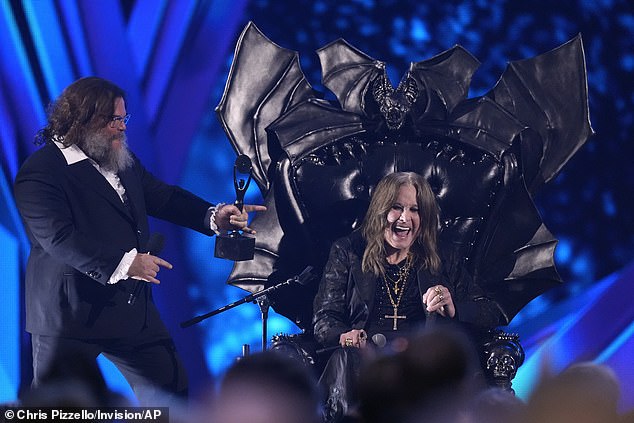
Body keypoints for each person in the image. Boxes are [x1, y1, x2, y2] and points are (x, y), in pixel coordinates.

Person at [13, 76, 265, 405]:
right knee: (54, 409)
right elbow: (59, 239)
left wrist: (211, 215)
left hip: (129, 309)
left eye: (124, 118)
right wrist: (127, 263)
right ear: (85, 119)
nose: (122, 127)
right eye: (114, 120)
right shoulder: (41, 172)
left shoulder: (121, 161)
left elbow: (163, 197)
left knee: (170, 397)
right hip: (69, 315)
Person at [312, 171, 503, 422]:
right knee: (344, 357)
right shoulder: (348, 252)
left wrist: (455, 307)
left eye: (415, 210)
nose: (405, 218)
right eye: (396, 207)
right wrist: (343, 335)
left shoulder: (442, 257)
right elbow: (324, 317)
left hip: (421, 360)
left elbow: (492, 311)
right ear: (380, 211)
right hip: (364, 357)